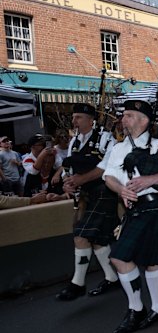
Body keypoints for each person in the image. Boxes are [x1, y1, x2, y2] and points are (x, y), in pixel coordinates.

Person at [104, 100, 158, 333]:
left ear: (144, 120)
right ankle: (147, 309)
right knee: (130, 259)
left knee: (131, 259)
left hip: (155, 208)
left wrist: (150, 180)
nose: (123, 119)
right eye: (124, 115)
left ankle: (142, 309)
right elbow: (109, 176)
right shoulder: (118, 148)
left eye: (129, 115)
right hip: (134, 210)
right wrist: (121, 190)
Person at [55, 103, 121, 301]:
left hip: (104, 191)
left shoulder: (106, 138)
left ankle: (78, 283)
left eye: (78, 117)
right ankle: (112, 278)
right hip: (85, 195)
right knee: (98, 239)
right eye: (74, 117)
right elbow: (69, 168)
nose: (74, 121)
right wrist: (68, 184)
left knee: (81, 235)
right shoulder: (74, 141)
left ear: (91, 120)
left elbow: (105, 167)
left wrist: (80, 180)